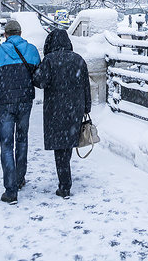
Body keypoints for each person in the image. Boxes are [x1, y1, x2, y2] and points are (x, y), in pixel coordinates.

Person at [0, 19, 40, 204]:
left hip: (4, 103)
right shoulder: (32, 50)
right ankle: (20, 178)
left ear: (5, 34)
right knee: (22, 140)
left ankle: (10, 189)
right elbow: (39, 77)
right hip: (25, 102)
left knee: (6, 145)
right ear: (20, 33)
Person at [33, 28, 91, 199]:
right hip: (75, 108)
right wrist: (87, 107)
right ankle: (65, 178)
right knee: (67, 143)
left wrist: (36, 70)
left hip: (55, 108)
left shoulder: (50, 60)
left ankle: (65, 185)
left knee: (60, 147)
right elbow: (86, 86)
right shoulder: (78, 59)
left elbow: (40, 82)